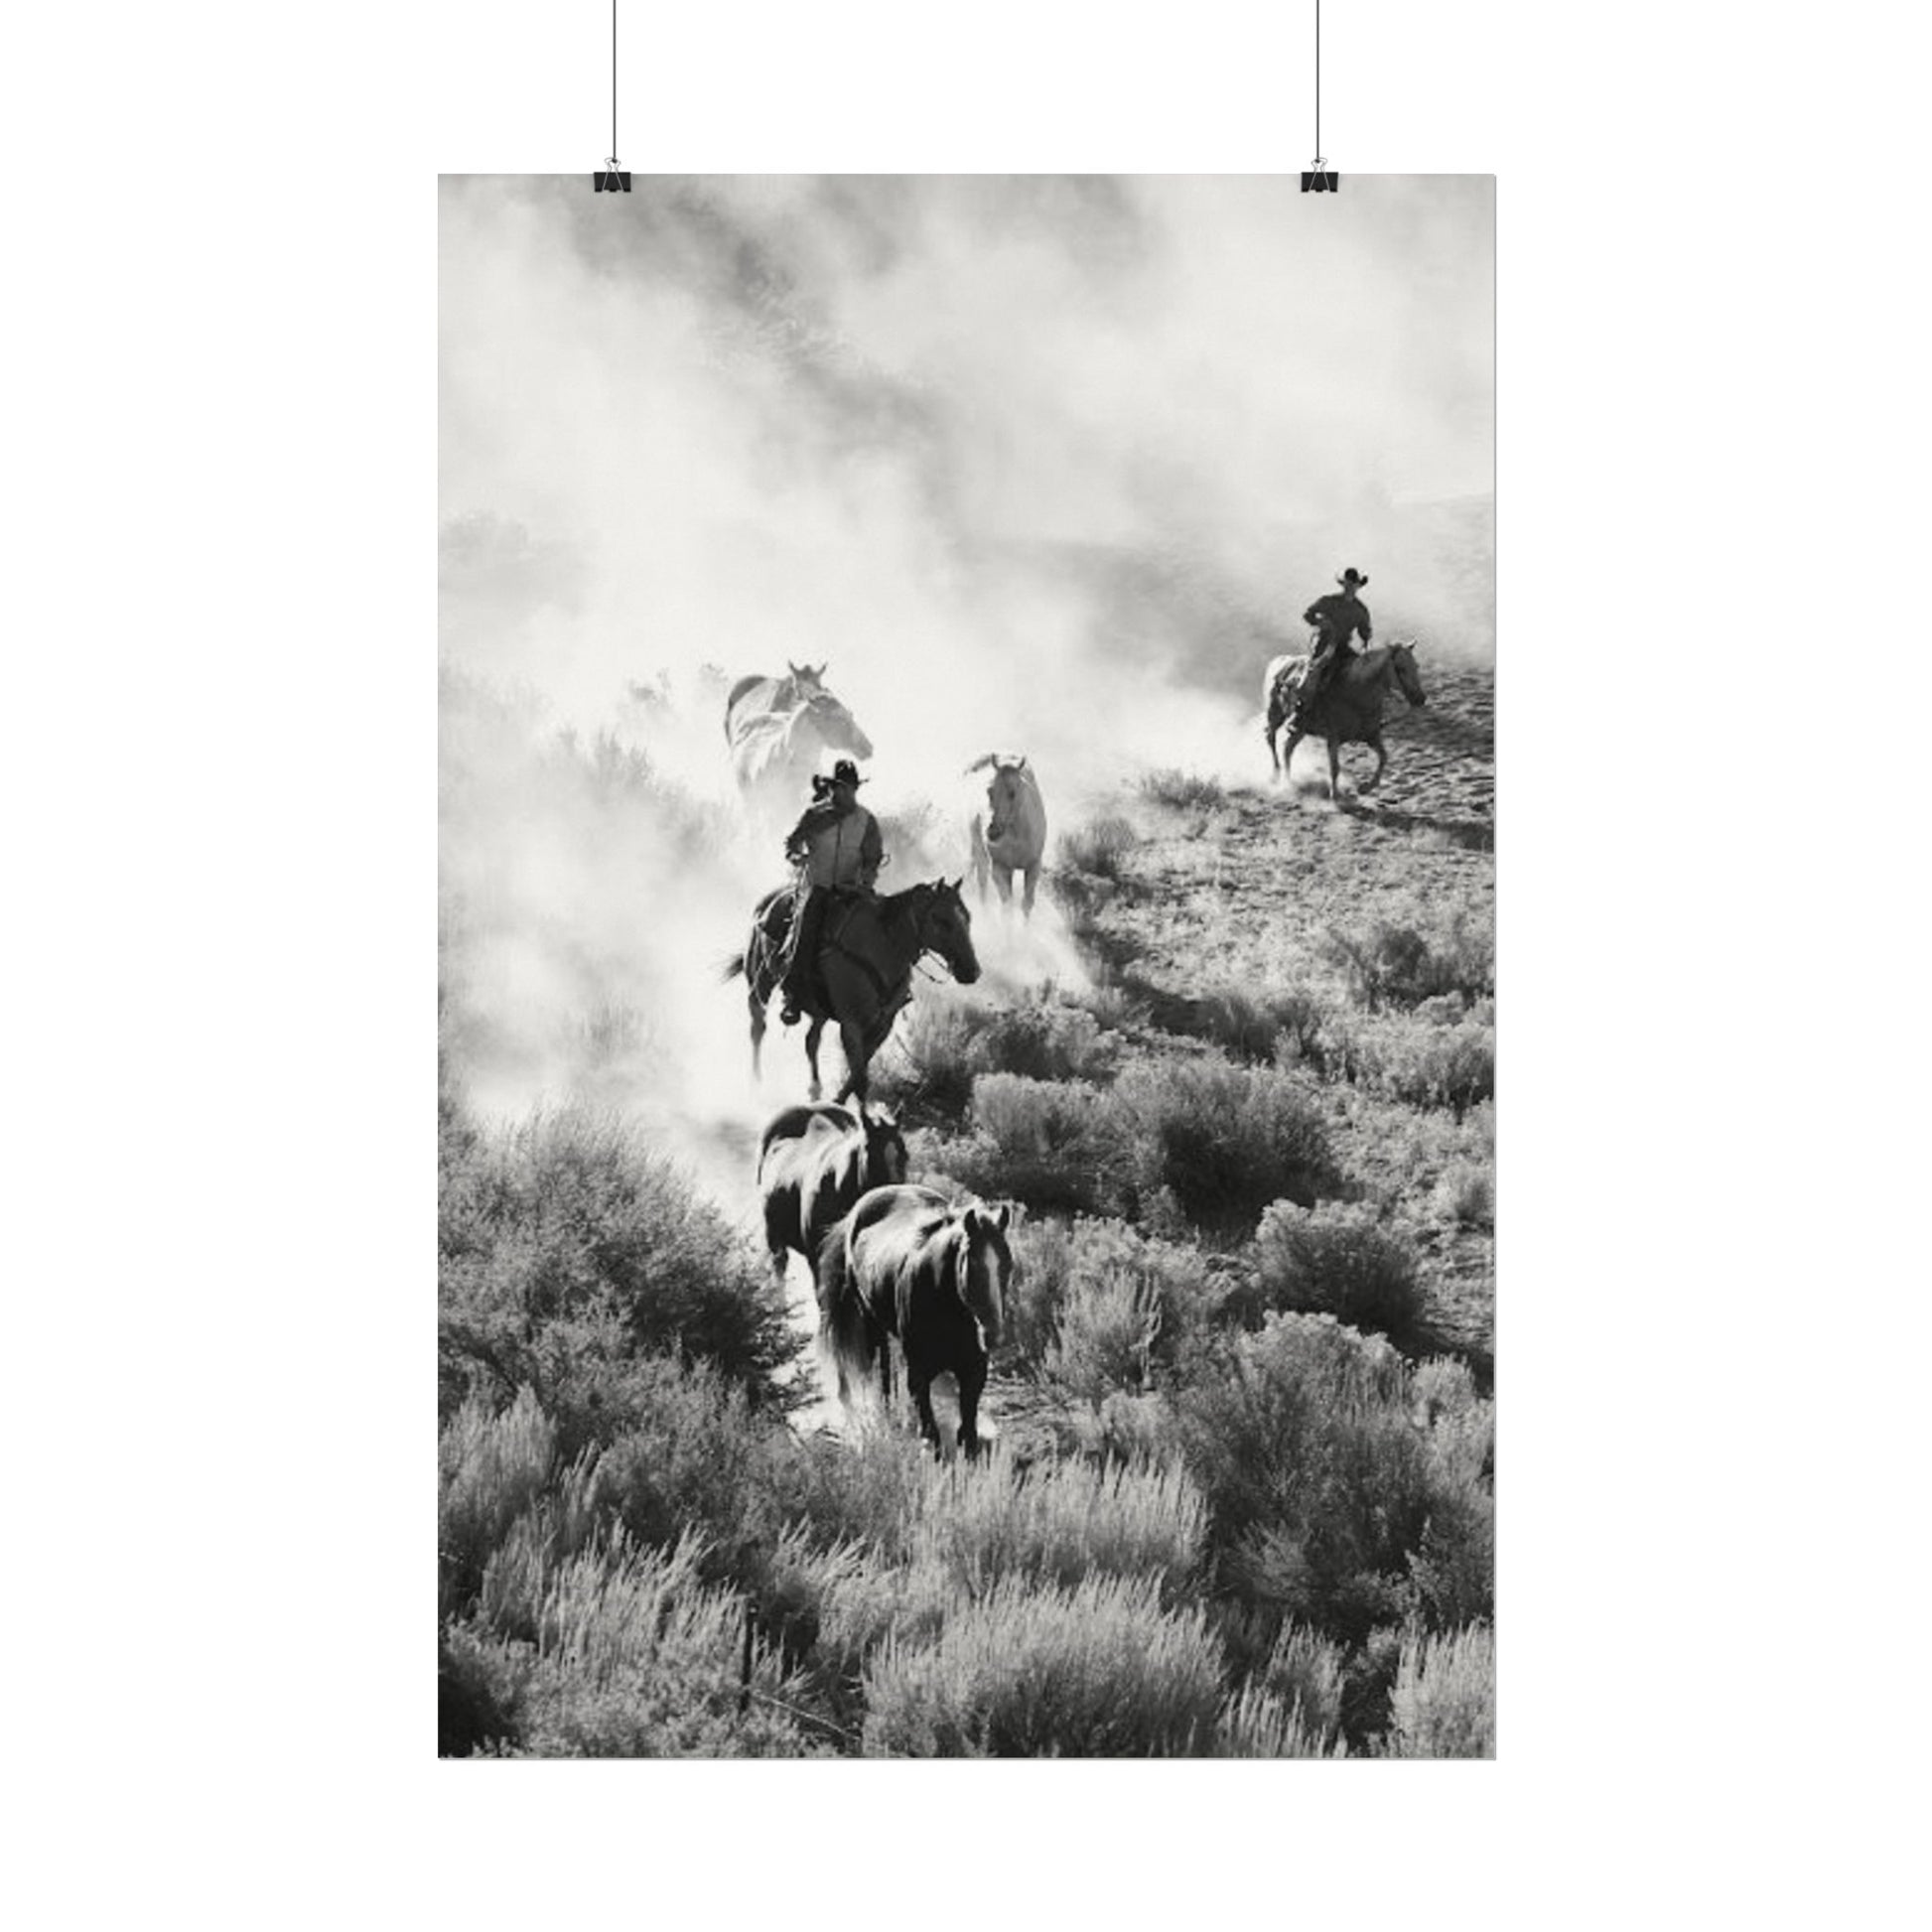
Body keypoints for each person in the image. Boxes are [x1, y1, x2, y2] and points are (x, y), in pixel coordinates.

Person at [778, 758, 883, 1025]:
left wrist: (866, 880)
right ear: (833, 788)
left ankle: (889, 989)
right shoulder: (815, 815)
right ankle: (793, 995)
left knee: (883, 925)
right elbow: (792, 843)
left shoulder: (866, 821)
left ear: (855, 789)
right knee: (806, 930)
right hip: (819, 888)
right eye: (840, 788)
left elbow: (873, 858)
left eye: (850, 788)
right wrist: (797, 857)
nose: (845, 793)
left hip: (852, 892)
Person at [1287, 567, 1373, 727]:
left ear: (1358, 586)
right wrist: (1320, 622)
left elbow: (1365, 632)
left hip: (1342, 646)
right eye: (1348, 584)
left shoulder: (1360, 610)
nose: (1350, 588)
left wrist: (1365, 643)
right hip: (1323, 643)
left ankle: (1360, 717)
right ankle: (1300, 712)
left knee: (1360, 674)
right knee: (1317, 671)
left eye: (1353, 585)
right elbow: (1308, 614)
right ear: (1343, 584)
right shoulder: (1328, 601)